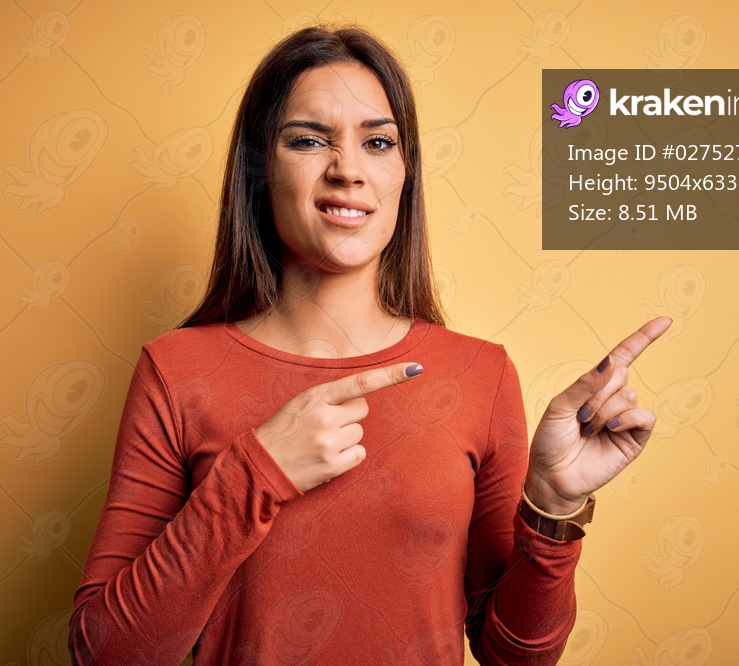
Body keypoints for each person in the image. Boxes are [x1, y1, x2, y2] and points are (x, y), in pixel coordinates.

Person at [70, 25, 671, 665]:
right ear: (260, 168)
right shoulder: (176, 371)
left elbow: (513, 658)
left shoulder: (479, 373)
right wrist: (255, 474)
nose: (348, 170)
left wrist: (553, 505)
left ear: (405, 174)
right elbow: (103, 653)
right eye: (308, 140)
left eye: (378, 142)